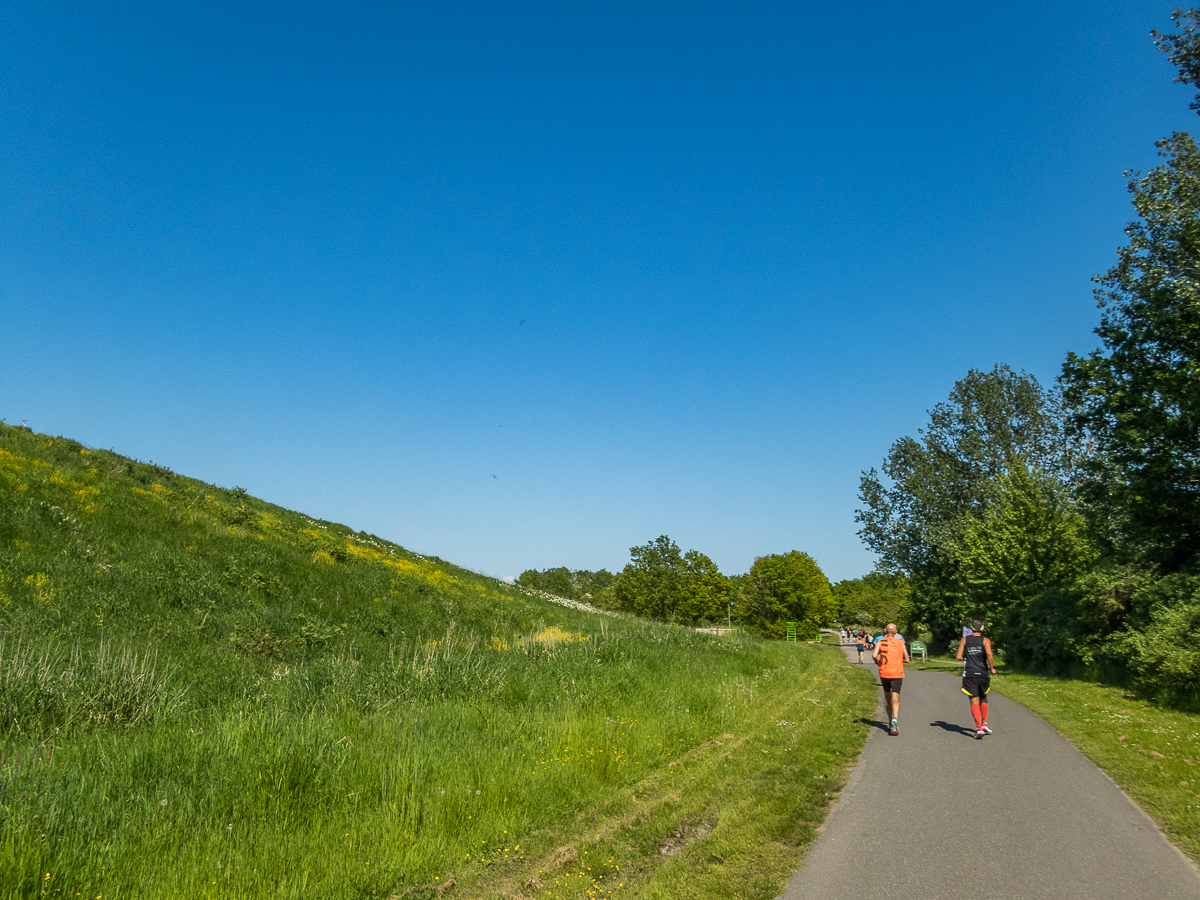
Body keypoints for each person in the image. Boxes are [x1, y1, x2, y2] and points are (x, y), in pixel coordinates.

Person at [956, 619, 996, 738]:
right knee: (983, 696)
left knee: (973, 699)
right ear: (982, 628)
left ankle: (979, 727)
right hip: (983, 673)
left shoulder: (965, 639)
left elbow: (958, 656)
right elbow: (989, 654)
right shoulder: (986, 640)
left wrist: (966, 658)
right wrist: (992, 668)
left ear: (971, 629)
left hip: (970, 673)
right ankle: (985, 723)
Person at [872, 623, 910, 735]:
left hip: (884, 673)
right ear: (895, 632)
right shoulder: (900, 643)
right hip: (897, 673)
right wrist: (899, 659)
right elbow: (907, 659)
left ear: (885, 631)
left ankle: (889, 721)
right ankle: (895, 719)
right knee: (895, 697)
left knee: (887, 696)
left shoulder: (880, 641)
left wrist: (878, 663)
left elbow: (874, 655)